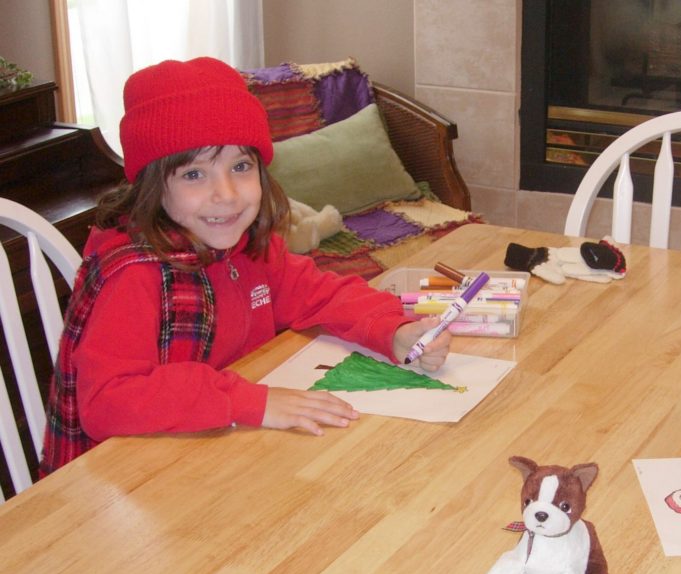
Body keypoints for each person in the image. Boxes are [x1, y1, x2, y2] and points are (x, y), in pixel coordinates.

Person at [41, 57, 451, 475]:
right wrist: (252, 401)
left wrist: (392, 330)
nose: (227, 194)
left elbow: (318, 293)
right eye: (194, 175)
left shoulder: (249, 249)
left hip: (216, 451)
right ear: (151, 186)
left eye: (240, 167)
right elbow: (107, 400)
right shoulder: (133, 276)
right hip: (128, 479)